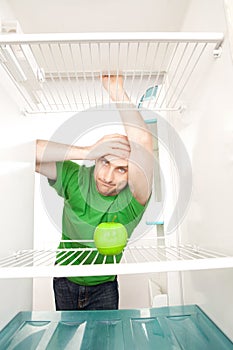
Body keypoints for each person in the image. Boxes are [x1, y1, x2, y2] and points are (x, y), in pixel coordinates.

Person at [36, 75, 154, 311]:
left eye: (121, 169)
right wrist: (87, 151)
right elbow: (25, 153)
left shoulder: (133, 199)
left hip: (105, 287)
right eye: (104, 162)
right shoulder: (75, 177)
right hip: (64, 280)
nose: (108, 177)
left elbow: (141, 140)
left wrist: (115, 90)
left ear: (132, 173)